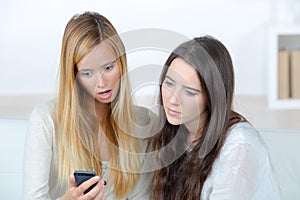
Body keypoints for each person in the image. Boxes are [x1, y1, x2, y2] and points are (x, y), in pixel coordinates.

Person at [23, 11, 155, 200]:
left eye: (108, 68)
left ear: (122, 63)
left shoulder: (144, 120)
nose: (101, 83)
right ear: (74, 75)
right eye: (87, 73)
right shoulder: (45, 120)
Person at [149, 35, 281, 199]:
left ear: (212, 97)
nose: (173, 100)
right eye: (169, 83)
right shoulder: (177, 131)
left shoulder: (239, 148)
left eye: (189, 92)